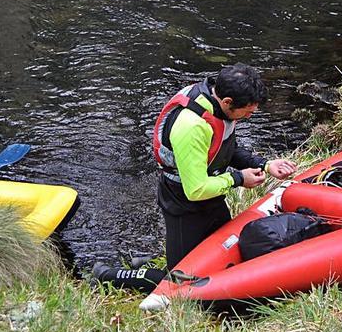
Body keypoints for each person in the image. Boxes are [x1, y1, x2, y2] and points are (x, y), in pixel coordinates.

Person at [93, 64, 297, 290]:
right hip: (183, 201)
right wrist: (238, 179)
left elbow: (226, 149)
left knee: (222, 254)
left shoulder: (220, 105)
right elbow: (196, 189)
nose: (251, 115)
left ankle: (148, 261)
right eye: (248, 111)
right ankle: (107, 274)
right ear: (228, 101)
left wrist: (265, 165)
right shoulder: (192, 125)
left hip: (212, 194)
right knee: (181, 280)